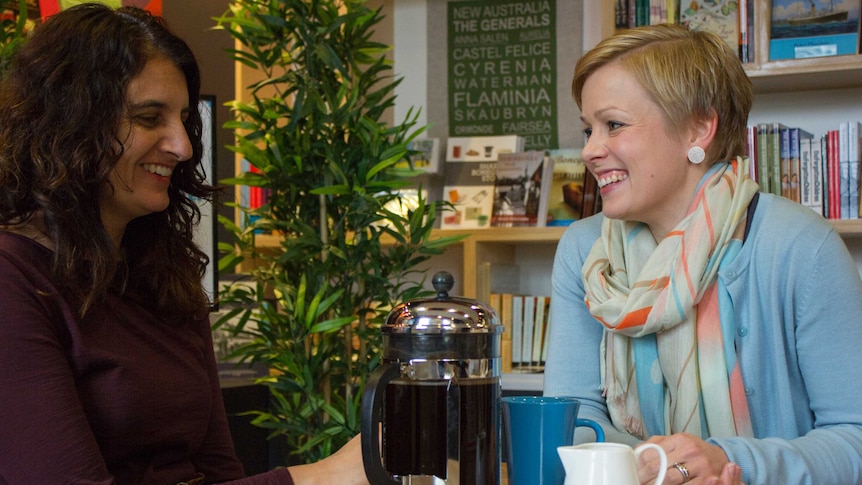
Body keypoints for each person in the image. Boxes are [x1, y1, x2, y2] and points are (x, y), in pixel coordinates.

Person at [0, 4, 368, 484]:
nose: (184, 146)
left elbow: (218, 472)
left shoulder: (162, 274)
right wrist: (321, 477)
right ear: (72, 126)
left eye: (184, 119)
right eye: (150, 118)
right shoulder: (13, 282)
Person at [543, 23, 862, 485]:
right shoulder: (583, 249)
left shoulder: (800, 248)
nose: (590, 150)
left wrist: (728, 462)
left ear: (699, 126)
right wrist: (662, 470)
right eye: (588, 129)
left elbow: (854, 436)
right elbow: (570, 416)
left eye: (613, 124)